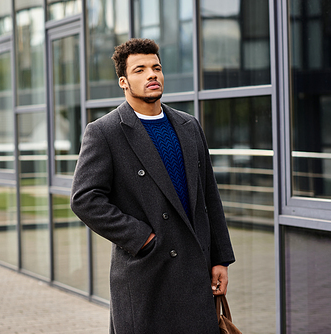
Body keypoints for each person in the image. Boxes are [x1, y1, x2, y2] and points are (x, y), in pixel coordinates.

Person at [70, 38, 235, 334]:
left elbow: (210, 196)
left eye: (156, 68)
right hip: (147, 273)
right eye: (140, 70)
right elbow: (84, 199)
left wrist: (221, 258)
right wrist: (141, 238)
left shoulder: (188, 126)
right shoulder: (105, 132)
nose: (152, 75)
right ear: (124, 81)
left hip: (195, 268)